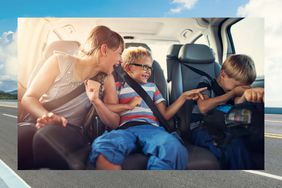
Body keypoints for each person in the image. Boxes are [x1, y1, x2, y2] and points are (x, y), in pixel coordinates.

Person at [18, 25, 124, 169]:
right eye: (119, 53)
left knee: (46, 136)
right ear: (104, 50)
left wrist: (96, 101)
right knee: (22, 134)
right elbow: (29, 98)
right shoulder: (58, 61)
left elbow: (114, 122)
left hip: (71, 130)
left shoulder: (107, 79)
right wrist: (47, 116)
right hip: (38, 121)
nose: (121, 60)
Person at [88, 47, 207, 170]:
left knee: (173, 147)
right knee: (104, 145)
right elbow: (107, 106)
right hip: (125, 129)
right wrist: (128, 106)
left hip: (151, 129)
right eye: (144, 67)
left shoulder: (152, 87)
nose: (148, 71)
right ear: (128, 67)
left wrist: (183, 97)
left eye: (150, 68)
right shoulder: (118, 86)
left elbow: (165, 115)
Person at [190, 54, 264, 169]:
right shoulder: (206, 82)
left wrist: (245, 95)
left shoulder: (235, 90)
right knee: (232, 146)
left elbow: (238, 105)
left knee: (243, 142)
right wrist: (232, 93)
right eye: (238, 86)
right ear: (223, 74)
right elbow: (203, 107)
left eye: (245, 86)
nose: (240, 89)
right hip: (201, 128)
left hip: (227, 126)